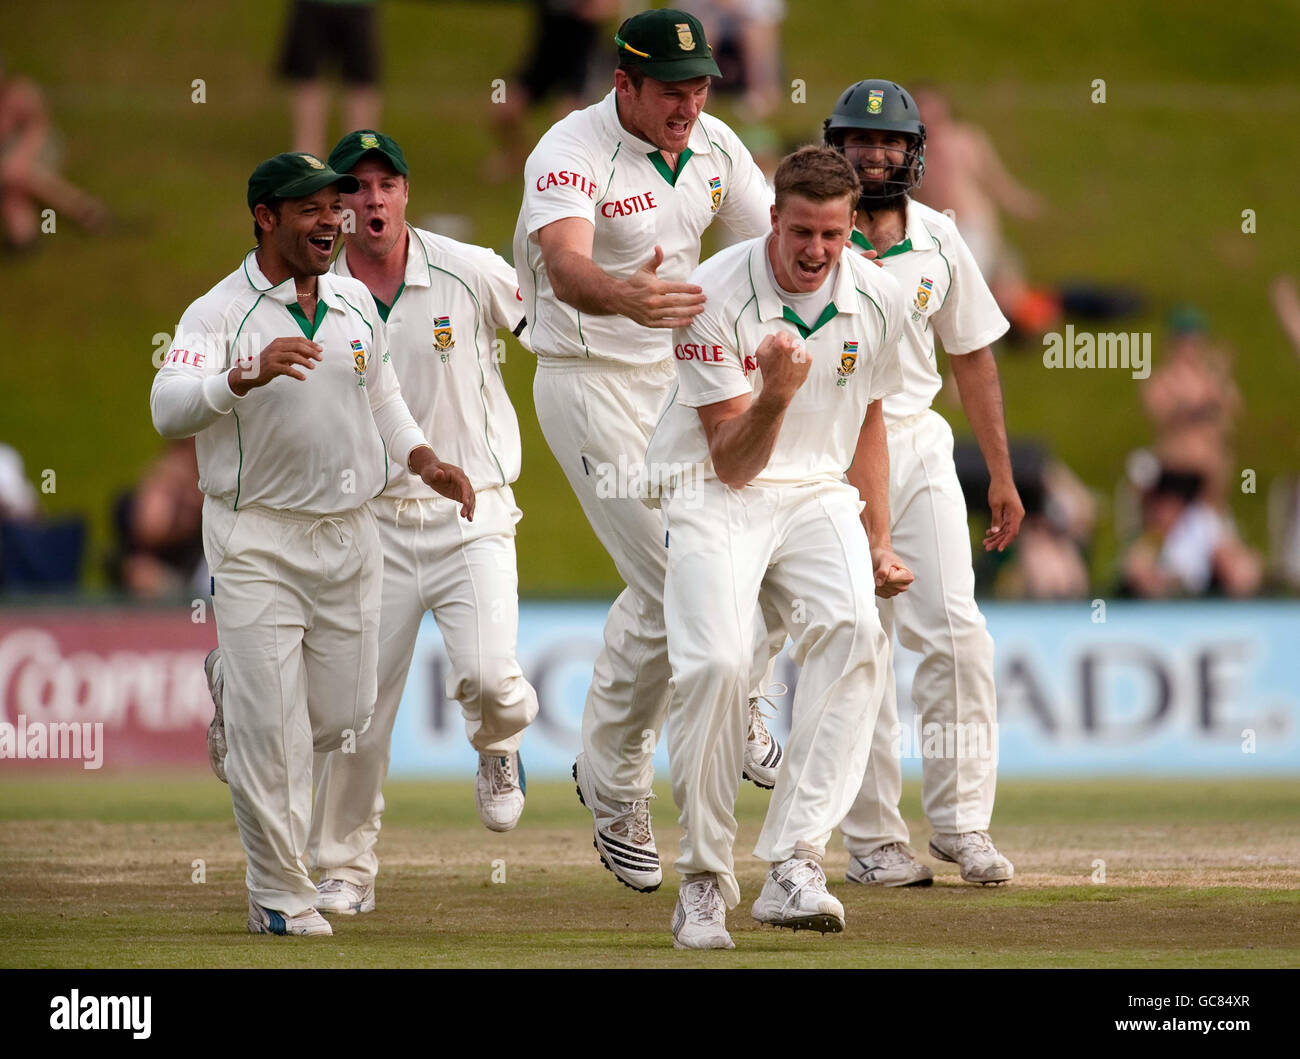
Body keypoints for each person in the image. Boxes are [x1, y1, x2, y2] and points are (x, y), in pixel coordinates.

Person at [150, 151, 472, 936]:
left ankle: (233, 685)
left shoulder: (355, 302)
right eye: (314, 209)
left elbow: (384, 397)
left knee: (342, 716)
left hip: (352, 534)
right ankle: (280, 895)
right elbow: (168, 408)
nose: (335, 219)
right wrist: (241, 378)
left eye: (337, 206)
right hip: (256, 536)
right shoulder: (216, 312)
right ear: (266, 217)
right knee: (275, 737)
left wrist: (423, 457)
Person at [513, 7, 782, 894]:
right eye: (673, 90)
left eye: (701, 86)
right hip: (586, 373)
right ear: (623, 82)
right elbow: (565, 266)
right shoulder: (569, 149)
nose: (690, 104)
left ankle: (607, 764)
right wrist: (624, 298)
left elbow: (772, 240)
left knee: (712, 560)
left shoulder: (713, 145)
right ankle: (622, 785)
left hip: (675, 379)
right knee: (677, 579)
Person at [645, 146, 909, 948]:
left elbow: (867, 420)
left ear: (852, 225)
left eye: (833, 234)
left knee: (859, 633)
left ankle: (795, 861)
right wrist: (778, 394)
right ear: (774, 219)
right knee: (718, 664)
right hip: (711, 483)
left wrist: (880, 541)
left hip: (816, 488)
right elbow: (731, 458)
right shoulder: (712, 294)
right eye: (802, 231)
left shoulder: (881, 298)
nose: (816, 251)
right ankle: (700, 880)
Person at [302, 130, 540, 917]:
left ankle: (499, 746)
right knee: (358, 714)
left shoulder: (467, 270)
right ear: (337, 205)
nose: (371, 200)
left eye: (385, 185)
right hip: (372, 522)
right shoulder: (321, 293)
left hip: (472, 508)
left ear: (405, 192)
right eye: (355, 189)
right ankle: (344, 867)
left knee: (491, 676)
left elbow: (552, 324)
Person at [823, 80, 1022, 887]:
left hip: (918, 443)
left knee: (956, 632)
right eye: (860, 141)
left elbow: (972, 353)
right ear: (834, 148)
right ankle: (873, 840)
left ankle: (962, 824)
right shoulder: (808, 233)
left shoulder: (939, 237)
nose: (876, 155)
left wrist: (1001, 476)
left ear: (914, 152)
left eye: (891, 142)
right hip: (829, 457)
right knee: (858, 644)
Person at [483, 0, 620, 183]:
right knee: (499, 103)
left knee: (567, 118)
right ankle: (516, 155)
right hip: (542, 61)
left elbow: (606, 8)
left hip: (581, 64)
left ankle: (579, 175)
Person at [0, 56, 109, 249]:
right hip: (11, 160)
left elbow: (38, 128)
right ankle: (25, 238)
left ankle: (82, 210)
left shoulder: (20, 93)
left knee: (19, 175)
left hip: (38, 150)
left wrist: (21, 159)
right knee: (13, 188)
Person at [276, 0, 382, 157]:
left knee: (361, 83)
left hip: (359, 6)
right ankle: (306, 158)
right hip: (312, 6)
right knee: (307, 78)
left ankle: (363, 155)